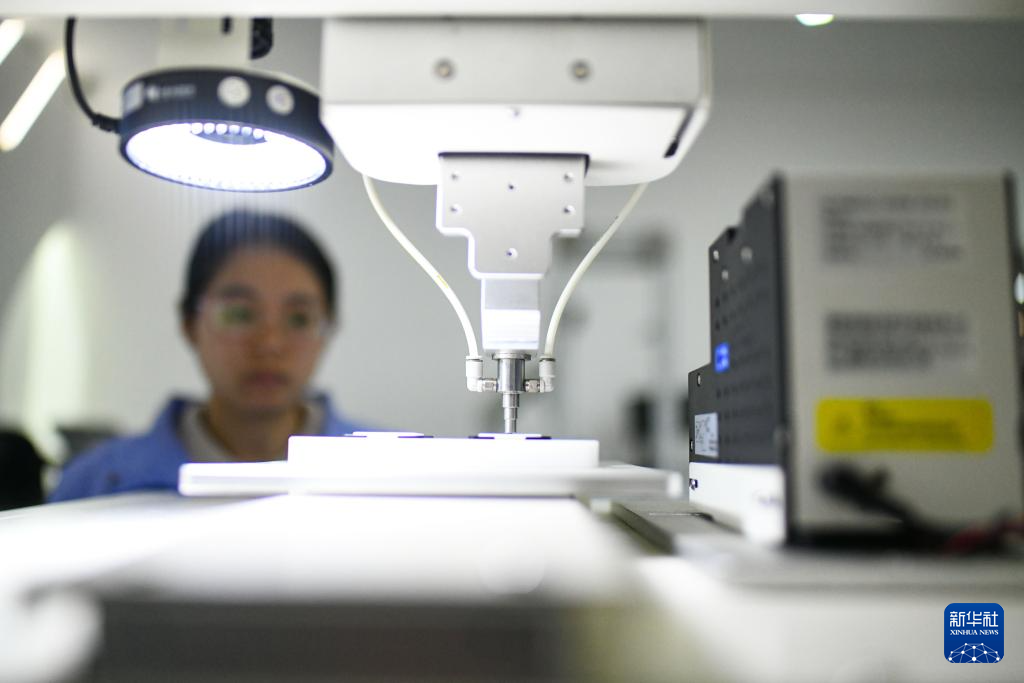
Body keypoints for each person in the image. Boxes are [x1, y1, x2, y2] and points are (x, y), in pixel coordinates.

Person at [50, 210, 363, 501]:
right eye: (238, 315)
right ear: (189, 325)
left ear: (329, 329)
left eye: (299, 319)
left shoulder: (383, 472)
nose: (269, 343)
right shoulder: (94, 484)